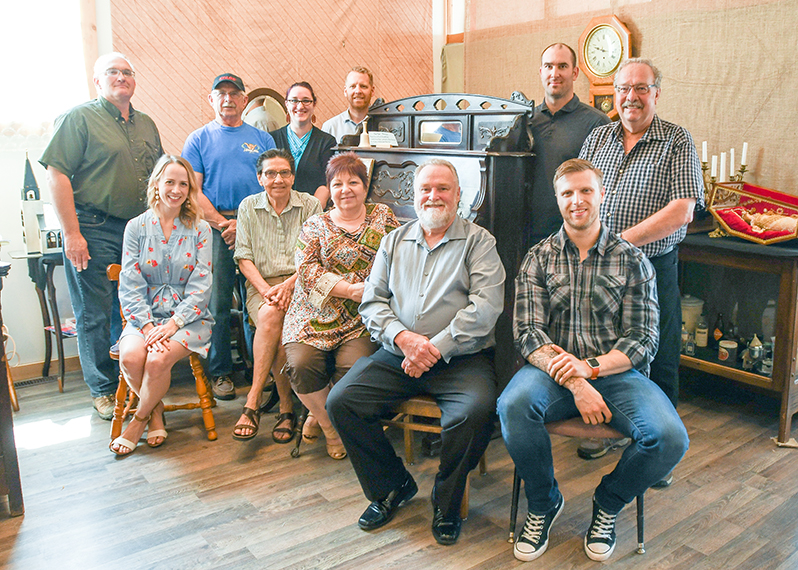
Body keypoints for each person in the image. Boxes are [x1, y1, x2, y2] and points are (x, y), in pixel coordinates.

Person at [498, 158, 689, 562]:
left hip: (618, 373)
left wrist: (592, 368)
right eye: (567, 192)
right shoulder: (538, 257)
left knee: (670, 438)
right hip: (553, 373)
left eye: (586, 190)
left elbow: (643, 340)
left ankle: (608, 502)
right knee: (512, 405)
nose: (577, 200)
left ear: (602, 196)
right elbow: (529, 333)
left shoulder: (633, 260)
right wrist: (575, 380)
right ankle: (544, 501)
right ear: (557, 200)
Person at [327, 159, 506, 546]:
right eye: (426, 188)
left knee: (474, 413)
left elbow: (486, 307)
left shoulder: (480, 241)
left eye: (443, 188)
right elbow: (372, 303)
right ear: (414, 195)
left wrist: (434, 347)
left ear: (459, 196)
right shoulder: (394, 241)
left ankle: (446, 503)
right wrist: (404, 339)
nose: (433, 195)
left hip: (462, 358)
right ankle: (392, 487)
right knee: (342, 401)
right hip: (398, 353)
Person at [579, 58, 704, 474]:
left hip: (651, 267)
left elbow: (682, 210)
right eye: (623, 88)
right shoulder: (597, 138)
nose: (631, 96)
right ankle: (604, 432)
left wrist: (620, 242)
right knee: (600, 352)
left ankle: (659, 454)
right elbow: (578, 193)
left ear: (656, 93)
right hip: (599, 269)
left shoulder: (676, 141)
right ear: (614, 93)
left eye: (641, 88)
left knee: (658, 356)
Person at [40, 52, 163, 420]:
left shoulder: (146, 124)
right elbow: (56, 175)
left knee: (131, 308)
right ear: (97, 80)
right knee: (94, 312)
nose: (121, 77)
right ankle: (104, 390)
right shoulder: (79, 118)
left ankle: (134, 382)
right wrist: (72, 233)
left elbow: (158, 178)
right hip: (92, 227)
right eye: (112, 72)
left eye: (127, 72)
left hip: (138, 229)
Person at [282, 153, 399, 460]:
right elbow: (307, 270)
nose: (345, 189)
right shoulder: (314, 225)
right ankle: (329, 425)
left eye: (353, 182)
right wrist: (349, 289)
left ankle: (323, 413)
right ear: (329, 188)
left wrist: (373, 292)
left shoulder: (383, 216)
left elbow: (399, 259)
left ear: (365, 185)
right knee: (301, 365)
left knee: (355, 368)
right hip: (314, 313)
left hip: (363, 317)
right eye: (337, 183)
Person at [110, 155, 213, 456]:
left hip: (188, 320)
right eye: (170, 182)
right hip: (145, 318)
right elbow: (129, 284)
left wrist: (171, 325)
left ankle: (140, 419)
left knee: (156, 362)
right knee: (130, 359)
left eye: (183, 183)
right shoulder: (135, 227)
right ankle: (155, 410)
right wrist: (148, 326)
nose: (176, 190)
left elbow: (201, 286)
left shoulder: (200, 229)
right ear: (156, 184)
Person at [182, 73, 276, 401]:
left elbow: (273, 182)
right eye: (221, 93)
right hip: (215, 231)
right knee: (218, 305)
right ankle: (220, 372)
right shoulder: (198, 139)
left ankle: (258, 371)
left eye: (234, 93)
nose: (228, 99)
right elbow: (193, 190)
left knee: (258, 302)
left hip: (256, 228)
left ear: (244, 99)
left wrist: (244, 224)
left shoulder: (262, 139)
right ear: (211, 99)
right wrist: (225, 224)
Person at [231, 149, 322, 443]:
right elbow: (243, 257)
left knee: (275, 322)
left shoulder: (310, 205)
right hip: (264, 286)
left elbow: (315, 256)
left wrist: (289, 286)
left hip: (303, 283)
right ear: (260, 178)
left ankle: (253, 401)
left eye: (284, 173)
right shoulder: (248, 207)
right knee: (271, 314)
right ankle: (284, 407)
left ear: (293, 176)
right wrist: (267, 290)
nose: (278, 179)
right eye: (270, 173)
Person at [526, 43, 610, 247]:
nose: (555, 73)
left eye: (562, 66)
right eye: (548, 66)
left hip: (576, 237)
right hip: (528, 234)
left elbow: (604, 185)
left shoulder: (597, 123)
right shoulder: (525, 121)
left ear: (575, 73)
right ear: (540, 72)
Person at [270, 82, 336, 208]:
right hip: (276, 213)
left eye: (306, 101)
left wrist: (311, 216)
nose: (300, 106)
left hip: (311, 213)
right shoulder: (271, 139)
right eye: (294, 100)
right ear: (286, 104)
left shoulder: (326, 142)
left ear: (314, 104)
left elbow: (326, 182)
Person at [322, 67, 375, 142]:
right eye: (353, 86)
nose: (358, 91)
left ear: (372, 91)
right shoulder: (330, 128)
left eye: (363, 86)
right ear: (345, 91)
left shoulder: (384, 126)